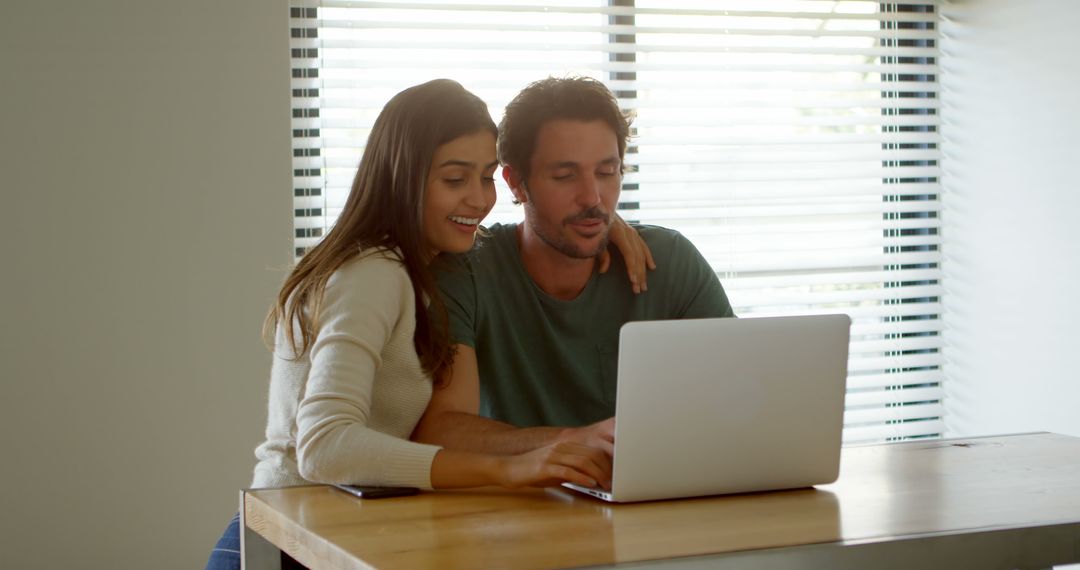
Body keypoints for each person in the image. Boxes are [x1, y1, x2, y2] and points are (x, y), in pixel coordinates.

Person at [205, 79, 649, 570]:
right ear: (404, 176)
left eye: (485, 178)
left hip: (336, 529)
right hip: (290, 543)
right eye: (454, 180)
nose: (479, 199)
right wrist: (509, 470)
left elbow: (527, 234)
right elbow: (324, 445)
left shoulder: (422, 266)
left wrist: (602, 225)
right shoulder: (373, 273)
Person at [412, 76, 735, 455]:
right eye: (565, 176)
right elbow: (443, 429)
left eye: (606, 172)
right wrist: (571, 441)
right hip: (520, 507)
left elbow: (742, 397)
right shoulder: (466, 272)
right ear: (516, 182)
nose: (593, 197)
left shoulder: (670, 260)